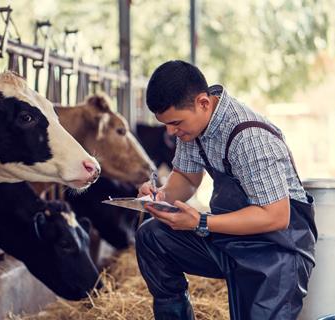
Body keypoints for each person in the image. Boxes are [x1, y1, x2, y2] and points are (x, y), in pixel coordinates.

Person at [136, 60, 317, 320]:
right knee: (152, 237)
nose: (170, 131)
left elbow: (276, 216)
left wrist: (199, 221)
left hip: (277, 250)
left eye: (175, 122)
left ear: (203, 103)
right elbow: (187, 179)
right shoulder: (193, 128)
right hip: (231, 238)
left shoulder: (249, 137)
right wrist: (160, 196)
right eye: (165, 124)